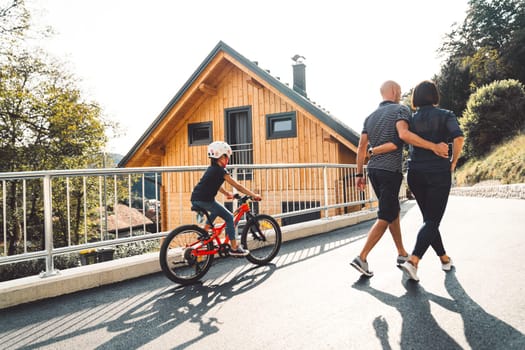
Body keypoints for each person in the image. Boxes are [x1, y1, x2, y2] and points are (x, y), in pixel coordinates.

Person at [350, 80, 449, 277]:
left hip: (373, 171)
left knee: (392, 210)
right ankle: (362, 257)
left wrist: (359, 173)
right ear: (394, 91)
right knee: (386, 214)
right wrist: (434, 146)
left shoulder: (369, 117)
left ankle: (401, 253)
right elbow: (399, 140)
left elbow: (361, 147)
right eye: (400, 91)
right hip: (389, 171)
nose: (401, 94)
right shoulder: (401, 110)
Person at [400, 80, 464, 281]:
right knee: (432, 220)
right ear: (435, 96)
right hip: (438, 172)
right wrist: (453, 162)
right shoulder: (446, 115)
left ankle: (444, 258)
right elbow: (459, 138)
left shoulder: (409, 118)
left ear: (415, 98)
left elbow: (405, 138)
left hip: (415, 173)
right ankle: (413, 261)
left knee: (429, 219)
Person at [191, 141, 262, 257]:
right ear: (220, 157)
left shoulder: (212, 169)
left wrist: (226, 193)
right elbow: (237, 186)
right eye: (226, 157)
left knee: (216, 210)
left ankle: (204, 234)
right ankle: (234, 247)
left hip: (198, 198)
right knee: (229, 217)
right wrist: (254, 195)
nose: (227, 159)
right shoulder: (221, 171)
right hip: (205, 200)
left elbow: (216, 184)